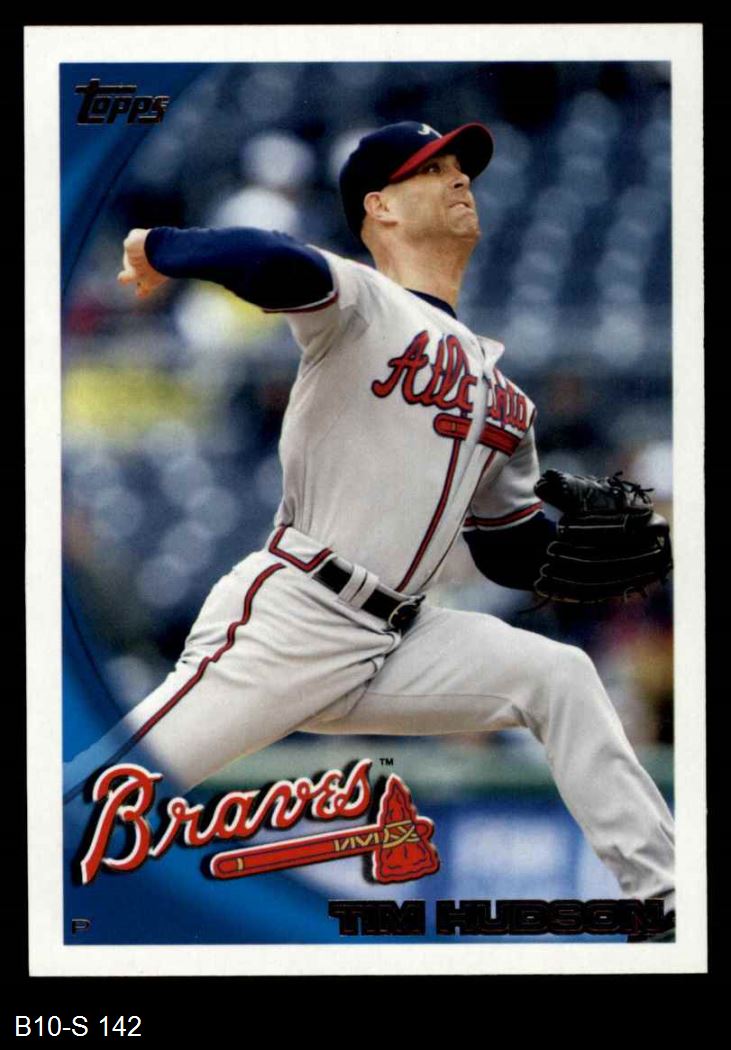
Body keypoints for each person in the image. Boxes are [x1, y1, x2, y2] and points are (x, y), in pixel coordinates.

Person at [64, 121, 675, 927]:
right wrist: (164, 246)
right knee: (101, 799)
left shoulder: (505, 396)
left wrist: (599, 556)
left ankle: (666, 903)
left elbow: (509, 547)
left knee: (556, 676)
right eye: (431, 170)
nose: (458, 180)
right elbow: (272, 260)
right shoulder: (362, 301)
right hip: (299, 613)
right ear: (379, 207)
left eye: (461, 169)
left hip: (401, 637)